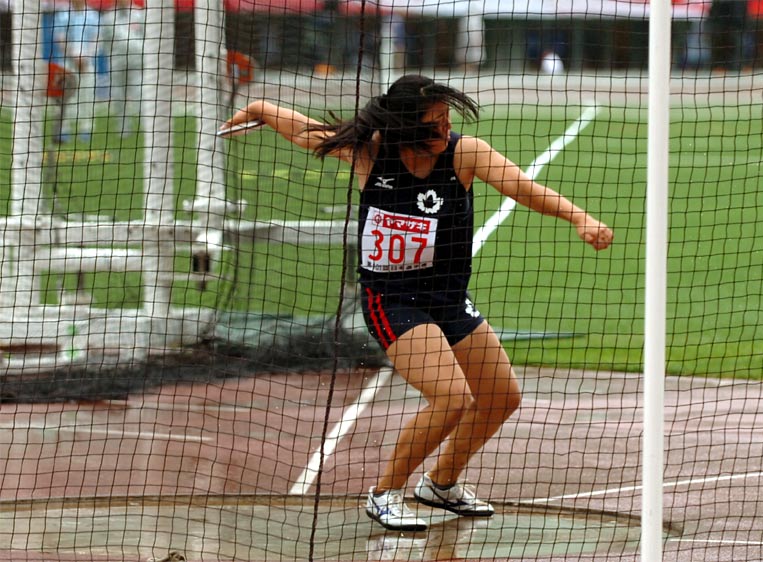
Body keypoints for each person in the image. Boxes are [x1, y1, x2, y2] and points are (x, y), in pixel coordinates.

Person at [222, 75, 614, 532]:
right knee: (451, 396)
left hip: (447, 298)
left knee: (501, 397)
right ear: (406, 127)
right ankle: (384, 493)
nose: (445, 129)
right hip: (392, 299)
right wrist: (262, 109)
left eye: (447, 119)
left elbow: (522, 188)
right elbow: (311, 133)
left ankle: (441, 484)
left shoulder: (465, 153)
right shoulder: (371, 152)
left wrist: (579, 217)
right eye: (435, 123)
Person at [52, 0, 102, 143]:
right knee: (64, 97)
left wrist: (86, 57)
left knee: (87, 96)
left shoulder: (92, 16)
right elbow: (60, 39)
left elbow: (96, 39)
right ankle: (63, 129)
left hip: (87, 64)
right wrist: (73, 56)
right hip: (66, 63)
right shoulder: (63, 15)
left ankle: (86, 128)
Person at [100, 0, 145, 138]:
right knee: (118, 96)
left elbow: (146, 36)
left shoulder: (139, 14)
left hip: (136, 62)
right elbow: (105, 41)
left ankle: (146, 125)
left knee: (140, 94)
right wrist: (112, 57)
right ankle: (123, 128)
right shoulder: (109, 18)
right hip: (117, 62)